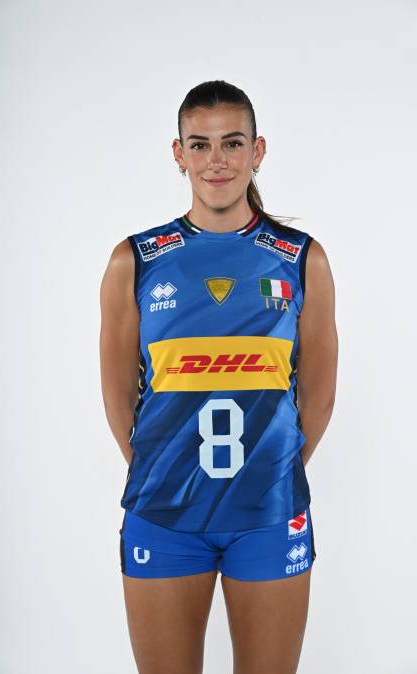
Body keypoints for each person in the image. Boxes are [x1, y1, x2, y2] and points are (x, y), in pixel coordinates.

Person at [99, 79, 338, 674]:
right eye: (200, 145)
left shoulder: (301, 259)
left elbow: (319, 396)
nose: (217, 161)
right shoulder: (136, 260)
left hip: (269, 512)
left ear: (258, 151)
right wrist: (167, 471)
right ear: (179, 154)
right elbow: (118, 395)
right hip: (165, 514)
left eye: (232, 143)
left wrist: (269, 471)